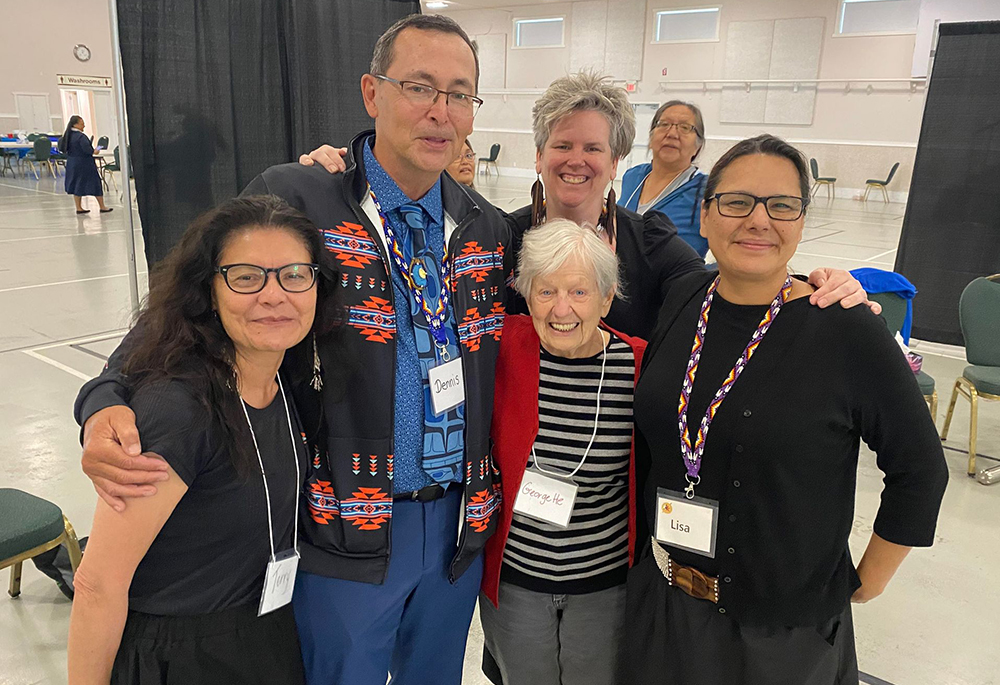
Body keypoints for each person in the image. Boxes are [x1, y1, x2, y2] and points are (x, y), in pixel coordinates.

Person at [73, 14, 507, 685]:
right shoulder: (301, 195)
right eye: (419, 87)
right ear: (372, 93)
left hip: (456, 531)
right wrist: (103, 396)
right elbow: (183, 302)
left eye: (459, 93)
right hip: (348, 531)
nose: (439, 111)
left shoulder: (487, 226)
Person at [626, 134, 949, 684]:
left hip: (781, 635)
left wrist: (866, 581)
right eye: (737, 202)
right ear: (705, 217)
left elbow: (920, 467)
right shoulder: (681, 299)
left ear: (801, 222)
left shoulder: (844, 327)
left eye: (781, 206)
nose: (758, 220)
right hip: (667, 600)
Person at [303, 72, 875, 341]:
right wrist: (349, 177)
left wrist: (810, 284)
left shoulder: (648, 244)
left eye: (593, 148)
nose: (576, 161)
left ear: (618, 158)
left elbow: (723, 289)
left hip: (614, 478)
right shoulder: (495, 238)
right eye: (562, 145)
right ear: (539, 155)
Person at [67, 195, 341, 684]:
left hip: (262, 634)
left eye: (294, 275)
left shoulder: (286, 378)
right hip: (180, 657)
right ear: (207, 291)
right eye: (246, 276)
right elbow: (97, 585)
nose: (274, 295)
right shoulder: (177, 410)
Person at [480, 218, 644, 685]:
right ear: (526, 295)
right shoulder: (502, 346)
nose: (561, 309)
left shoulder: (638, 365)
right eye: (545, 291)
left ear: (607, 298)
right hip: (516, 583)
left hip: (603, 586)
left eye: (579, 292)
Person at [619, 100, 706, 257]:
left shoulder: (705, 190)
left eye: (685, 127)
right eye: (664, 124)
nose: (672, 134)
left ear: (698, 146)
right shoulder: (633, 176)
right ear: (651, 139)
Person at [59, 115, 113, 214]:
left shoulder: (68, 136)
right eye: (82, 124)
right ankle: (102, 206)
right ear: (76, 125)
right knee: (95, 183)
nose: (84, 126)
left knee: (76, 185)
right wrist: (95, 150)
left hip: (72, 163)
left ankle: (79, 207)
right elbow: (88, 151)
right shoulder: (81, 137)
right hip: (84, 164)